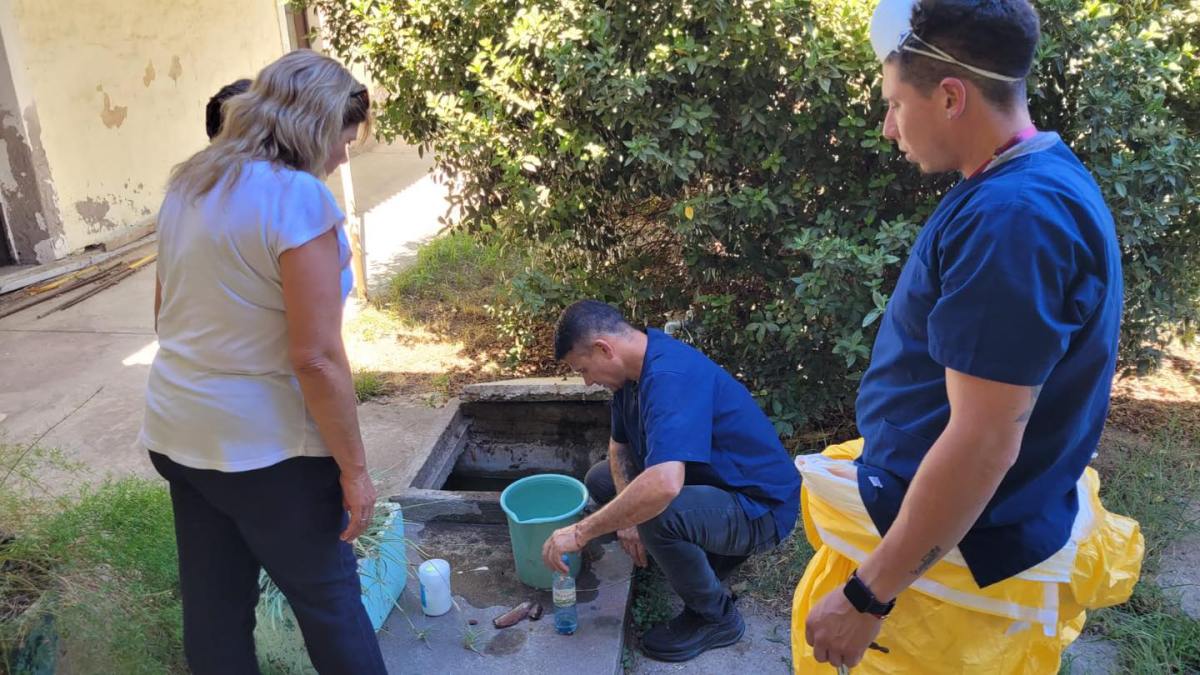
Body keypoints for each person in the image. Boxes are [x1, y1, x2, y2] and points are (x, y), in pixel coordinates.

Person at [791, 1, 1144, 672]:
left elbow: (983, 442)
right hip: (947, 532)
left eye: (895, 103)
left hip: (950, 572)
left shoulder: (1013, 220)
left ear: (951, 97)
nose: (888, 126)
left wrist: (867, 594)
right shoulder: (1032, 176)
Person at [139, 50, 387, 674]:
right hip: (268, 452)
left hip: (178, 433)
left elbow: (165, 315)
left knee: (216, 610)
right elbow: (317, 358)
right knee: (330, 603)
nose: (342, 157)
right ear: (314, 125)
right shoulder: (297, 198)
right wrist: (355, 471)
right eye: (343, 140)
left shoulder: (191, 184)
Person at [541, 300, 801, 662]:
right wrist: (626, 520)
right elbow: (619, 446)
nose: (587, 381)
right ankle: (703, 557)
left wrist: (581, 532)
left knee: (657, 512)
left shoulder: (670, 376)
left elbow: (663, 484)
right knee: (601, 480)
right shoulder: (631, 375)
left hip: (759, 508)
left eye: (583, 369)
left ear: (604, 349)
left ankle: (715, 618)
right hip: (713, 485)